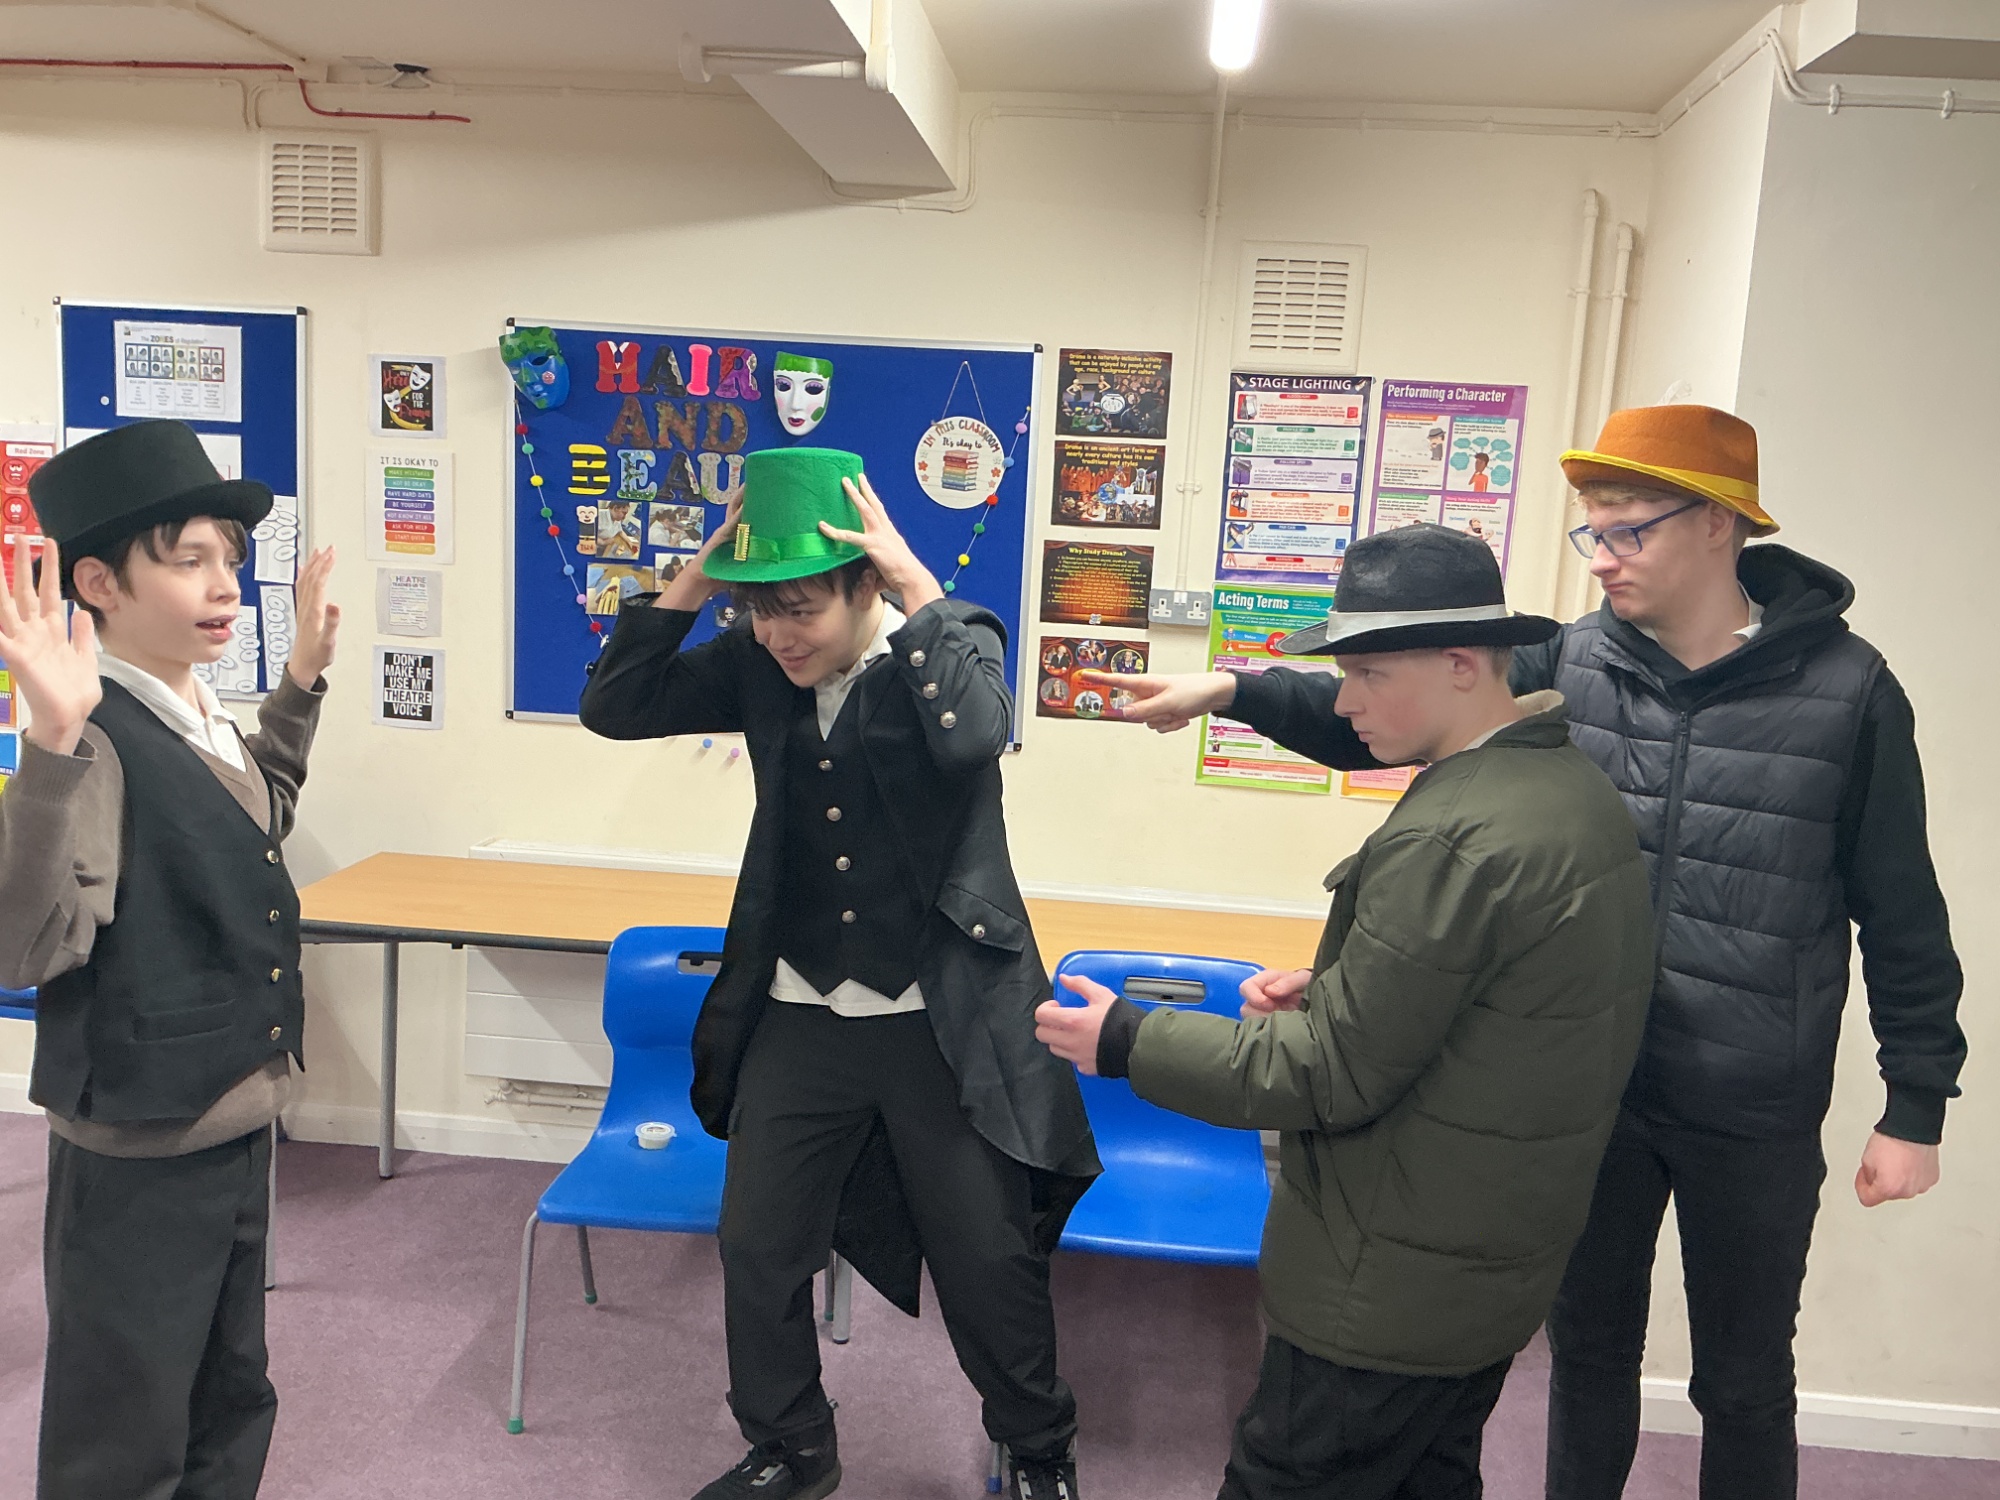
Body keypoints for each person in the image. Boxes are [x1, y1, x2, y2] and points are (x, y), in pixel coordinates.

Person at [1105, 406, 1968, 1500]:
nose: (1601, 557)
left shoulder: (1847, 691)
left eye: (1628, 530)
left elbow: (1901, 908)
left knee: (1745, 1379)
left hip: (1750, 1095)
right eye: (1591, 532)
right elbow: (1397, 702)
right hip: (1577, 1085)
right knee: (1587, 1357)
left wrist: (1914, 1103)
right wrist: (1232, 689)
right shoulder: (1575, 659)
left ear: (1719, 523)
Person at [1038, 524, 1656, 1500]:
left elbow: (1326, 1073)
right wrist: (1337, 987)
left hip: (1389, 1283)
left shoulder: (1457, 833)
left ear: (1461, 665)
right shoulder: (1565, 788)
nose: (1343, 702)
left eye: (1368, 674)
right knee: (1426, 1477)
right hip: (1481, 1263)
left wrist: (1125, 1039)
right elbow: (1490, 1006)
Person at [579, 446, 1099, 1500]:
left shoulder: (948, 644)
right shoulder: (754, 664)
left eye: (802, 608)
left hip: (937, 1022)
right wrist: (700, 576)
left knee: (986, 1259)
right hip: (799, 1011)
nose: (779, 634)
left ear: (864, 585)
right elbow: (616, 703)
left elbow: (976, 736)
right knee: (758, 1245)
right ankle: (793, 1447)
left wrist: (915, 585)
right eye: (759, 612)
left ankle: (1038, 1449)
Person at [0, 419, 341, 1500]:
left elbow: (252, 816)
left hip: (232, 1112)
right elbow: (23, 945)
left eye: (228, 559)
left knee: (229, 1393)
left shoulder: (193, 705)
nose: (224, 585)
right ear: (98, 581)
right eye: (188, 560)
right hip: (142, 1139)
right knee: (125, 1422)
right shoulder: (94, 736)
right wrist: (47, 747)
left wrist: (300, 678)